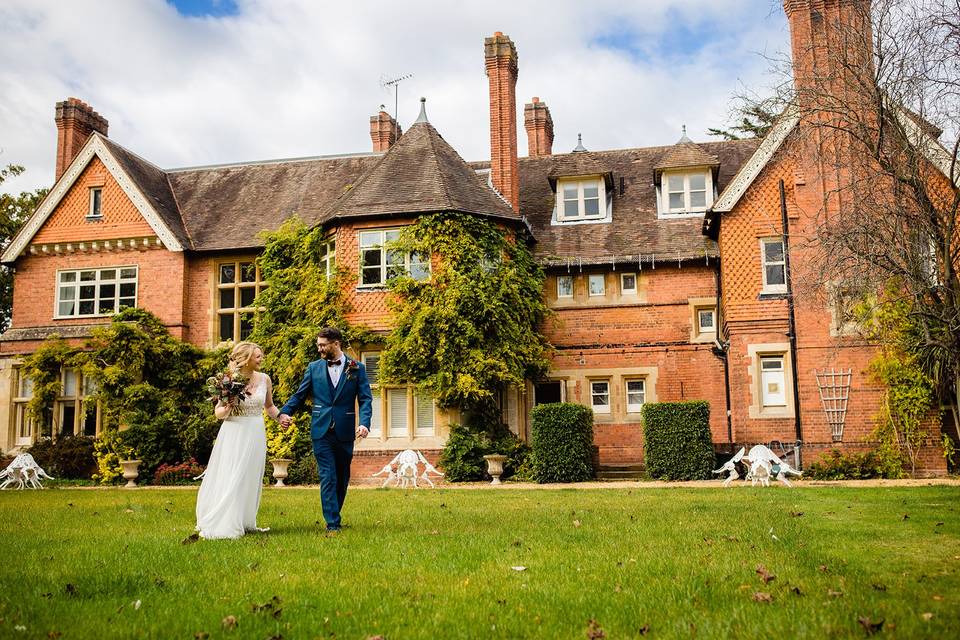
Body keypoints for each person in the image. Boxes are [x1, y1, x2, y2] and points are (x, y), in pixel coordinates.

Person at [278, 327, 372, 533]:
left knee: (342, 476)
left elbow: (365, 399)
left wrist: (364, 423)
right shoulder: (313, 368)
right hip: (321, 430)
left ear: (336, 344)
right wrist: (284, 413)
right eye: (318, 345)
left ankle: (334, 512)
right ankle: (332, 523)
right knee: (328, 475)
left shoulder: (357, 368)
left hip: (345, 430)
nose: (319, 349)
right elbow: (299, 395)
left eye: (322, 345)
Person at [195, 341, 280, 539]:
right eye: (258, 356)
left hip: (256, 431)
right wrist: (226, 408)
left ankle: (245, 520)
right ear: (247, 359)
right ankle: (225, 522)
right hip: (234, 432)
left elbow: (269, 407)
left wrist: (281, 417)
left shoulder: (265, 379)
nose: (262, 359)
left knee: (250, 476)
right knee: (232, 474)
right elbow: (218, 413)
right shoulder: (228, 380)